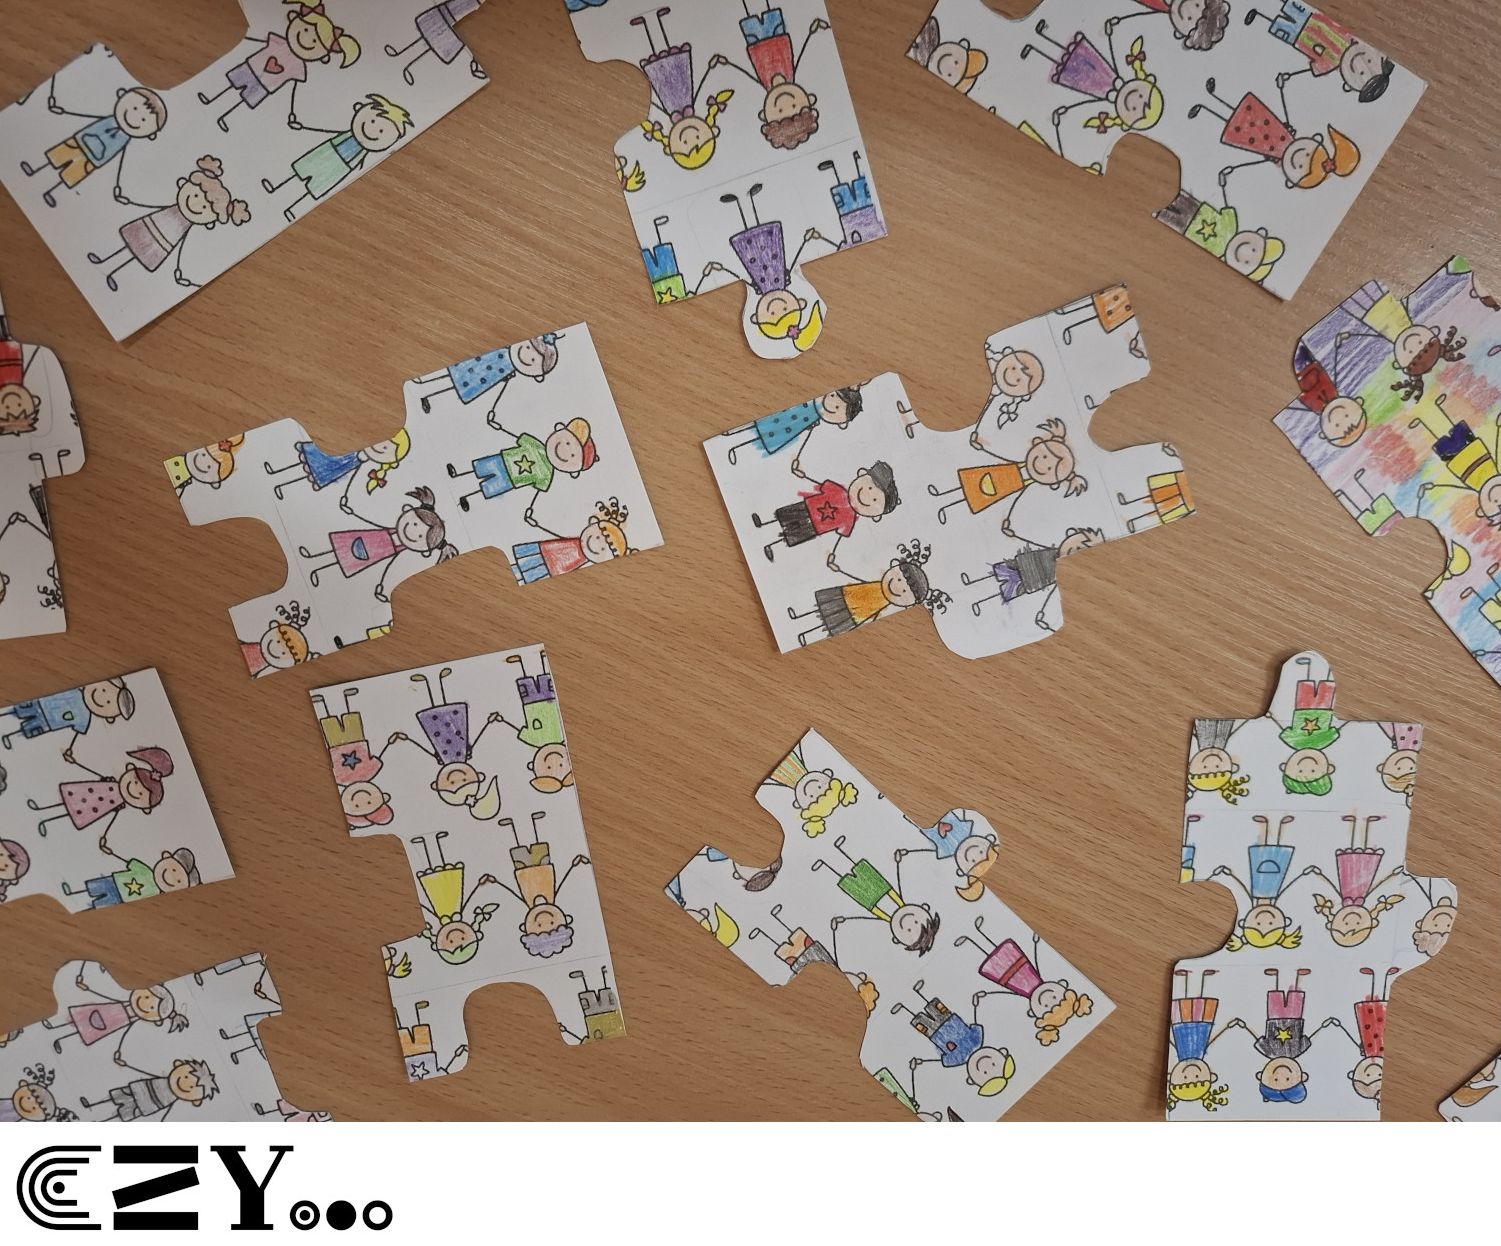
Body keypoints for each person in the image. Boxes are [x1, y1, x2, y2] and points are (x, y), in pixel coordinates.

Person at [87, 155, 251, 291]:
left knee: (138, 254)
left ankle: (112, 272)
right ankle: (104, 262)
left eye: (204, 207)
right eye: (196, 196)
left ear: (209, 222)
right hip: (155, 223)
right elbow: (153, 206)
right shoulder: (172, 209)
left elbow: (182, 245)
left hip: (167, 239)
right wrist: (130, 202)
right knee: (131, 244)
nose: (195, 204)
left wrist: (178, 268)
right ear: (183, 184)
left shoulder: (185, 226)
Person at [197, 2, 362, 132]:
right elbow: (260, 41)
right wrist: (244, 38)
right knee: (231, 84)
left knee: (243, 100)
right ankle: (211, 97)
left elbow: (293, 88)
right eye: (306, 29)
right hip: (252, 67)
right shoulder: (279, 42)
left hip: (265, 85)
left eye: (314, 41)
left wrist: (292, 111)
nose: (306, 39)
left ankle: (224, 116)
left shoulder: (298, 66)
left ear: (324, 54)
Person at [261, 94, 413, 221]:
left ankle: (293, 208)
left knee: (316, 188)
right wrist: (303, 126)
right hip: (328, 151)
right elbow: (329, 131)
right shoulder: (346, 135)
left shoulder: (365, 155)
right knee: (301, 169)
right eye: (372, 121)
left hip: (341, 167)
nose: (371, 130)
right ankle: (276, 185)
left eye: (381, 131)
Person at [19, 83, 166, 207]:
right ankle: (35, 169)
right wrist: (63, 111)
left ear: (151, 134)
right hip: (79, 142)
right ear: (121, 94)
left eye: (143, 119)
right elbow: (86, 116)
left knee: (71, 174)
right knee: (57, 156)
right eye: (135, 109)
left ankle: (51, 191)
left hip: (93, 160)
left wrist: (117, 183)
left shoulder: (124, 140)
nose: (134, 118)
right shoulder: (108, 120)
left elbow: (120, 159)